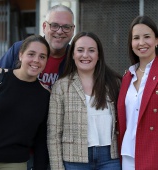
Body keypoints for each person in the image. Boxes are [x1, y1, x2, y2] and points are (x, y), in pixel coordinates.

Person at [47, 32, 122, 170]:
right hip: (74, 159)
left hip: (110, 157)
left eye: (91, 50)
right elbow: (54, 134)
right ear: (73, 55)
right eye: (80, 50)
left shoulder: (114, 83)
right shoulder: (61, 86)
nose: (85, 55)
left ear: (98, 55)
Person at [0, 35, 50, 170]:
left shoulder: (45, 95)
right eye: (31, 54)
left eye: (42, 57)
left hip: (13, 163)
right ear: (21, 55)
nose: (36, 60)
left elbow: (41, 139)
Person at [0, 4, 75, 90]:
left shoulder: (76, 59)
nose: (59, 31)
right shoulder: (20, 49)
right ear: (44, 27)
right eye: (54, 25)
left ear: (73, 30)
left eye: (66, 27)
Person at [117, 15, 158, 170]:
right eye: (136, 38)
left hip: (153, 154)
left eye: (147, 37)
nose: (141, 43)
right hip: (128, 154)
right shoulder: (127, 76)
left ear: (156, 40)